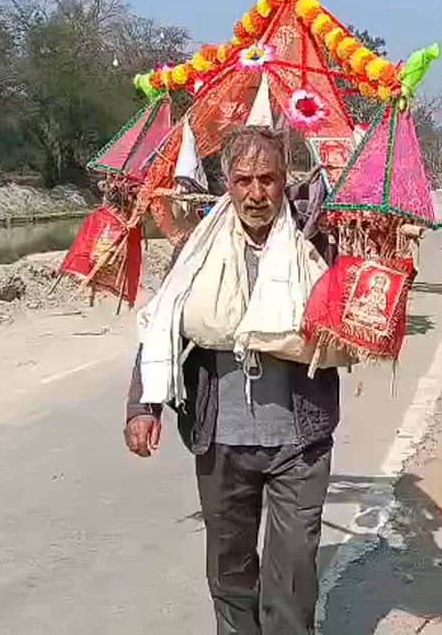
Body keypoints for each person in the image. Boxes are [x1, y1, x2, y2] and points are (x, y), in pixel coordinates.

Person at [125, 126, 340, 635]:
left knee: (292, 574)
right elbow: (162, 324)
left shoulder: (317, 242)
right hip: (222, 441)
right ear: (226, 181)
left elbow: (359, 299)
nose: (256, 193)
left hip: (299, 443)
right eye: (243, 180)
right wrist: (143, 406)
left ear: (285, 179)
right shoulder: (198, 250)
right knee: (230, 569)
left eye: (267, 179)